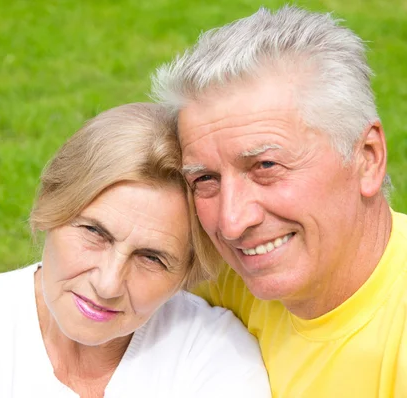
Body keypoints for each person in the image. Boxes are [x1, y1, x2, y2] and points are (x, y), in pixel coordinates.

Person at [0, 103, 271, 398]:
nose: (108, 283)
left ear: (187, 273)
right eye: (94, 232)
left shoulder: (214, 354)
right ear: (51, 207)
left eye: (152, 258)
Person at [151, 5, 407, 398]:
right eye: (205, 178)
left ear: (366, 158)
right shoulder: (217, 282)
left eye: (266, 165)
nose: (232, 222)